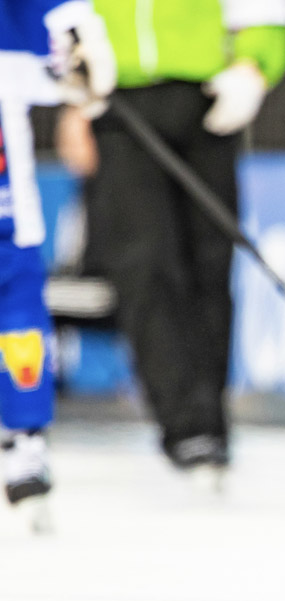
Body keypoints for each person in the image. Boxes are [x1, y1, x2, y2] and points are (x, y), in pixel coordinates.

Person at [62, 0, 285, 483]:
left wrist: (254, 67)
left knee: (209, 262)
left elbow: (267, 10)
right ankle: (183, 424)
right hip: (116, 100)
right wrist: (70, 94)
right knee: (144, 263)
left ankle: (211, 417)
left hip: (207, 94)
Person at [0, 0, 114, 530]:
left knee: (20, 320)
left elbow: (60, 60)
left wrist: (81, 56)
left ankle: (26, 440)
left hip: (8, 213)